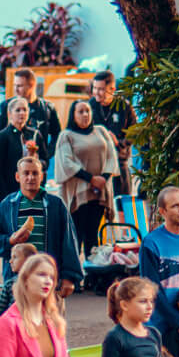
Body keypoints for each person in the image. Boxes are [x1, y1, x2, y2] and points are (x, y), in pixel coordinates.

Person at [0, 154, 82, 299]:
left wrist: (69, 277)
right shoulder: (7, 205)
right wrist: (10, 240)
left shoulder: (55, 205)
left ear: (42, 176)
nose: (30, 177)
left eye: (35, 173)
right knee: (18, 313)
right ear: (17, 177)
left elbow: (69, 242)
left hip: (48, 277)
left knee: (49, 313)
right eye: (26, 173)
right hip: (17, 279)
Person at [52, 99, 118, 251]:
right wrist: (91, 179)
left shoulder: (101, 131)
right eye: (80, 112)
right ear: (73, 115)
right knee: (76, 236)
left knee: (93, 235)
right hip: (78, 194)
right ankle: (73, 266)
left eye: (87, 111)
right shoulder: (66, 135)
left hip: (99, 192)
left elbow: (111, 156)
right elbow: (66, 162)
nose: (85, 114)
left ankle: (92, 265)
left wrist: (104, 178)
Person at [138, 185, 179, 328]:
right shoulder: (151, 243)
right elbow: (152, 289)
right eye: (175, 206)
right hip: (161, 325)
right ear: (162, 211)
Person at [0, 97, 40, 202]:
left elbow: (45, 160)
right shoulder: (3, 136)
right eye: (18, 110)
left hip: (32, 190)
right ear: (10, 114)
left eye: (25, 110)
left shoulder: (35, 134)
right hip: (10, 190)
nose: (22, 113)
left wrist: (35, 158)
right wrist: (3, 196)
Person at [0, 66, 60, 144]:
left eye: (19, 86)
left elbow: (57, 136)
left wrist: (47, 151)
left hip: (37, 150)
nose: (16, 89)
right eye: (14, 85)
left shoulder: (47, 108)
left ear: (31, 85)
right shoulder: (5, 106)